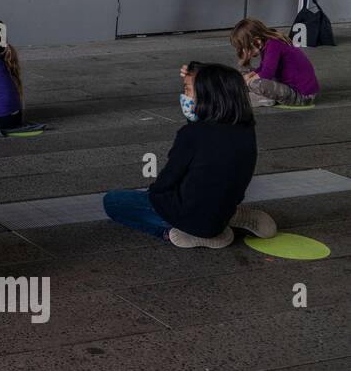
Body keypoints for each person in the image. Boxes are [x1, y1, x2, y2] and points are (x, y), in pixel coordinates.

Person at [102, 63, 276, 248]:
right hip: (223, 205)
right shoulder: (245, 128)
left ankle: (176, 233)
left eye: (188, 90)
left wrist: (154, 196)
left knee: (114, 201)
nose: (185, 96)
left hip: (191, 216)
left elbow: (168, 179)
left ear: (209, 96)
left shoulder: (192, 134)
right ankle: (229, 215)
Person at [227, 17, 319, 107]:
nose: (243, 52)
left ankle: (262, 99)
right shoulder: (268, 43)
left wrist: (246, 83)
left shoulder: (274, 45)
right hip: (286, 84)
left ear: (257, 41)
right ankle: (263, 95)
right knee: (246, 72)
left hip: (302, 96)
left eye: (244, 48)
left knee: (255, 84)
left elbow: (267, 73)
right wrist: (249, 75)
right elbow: (263, 67)